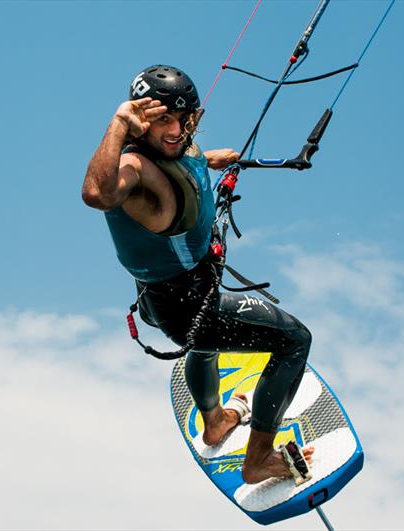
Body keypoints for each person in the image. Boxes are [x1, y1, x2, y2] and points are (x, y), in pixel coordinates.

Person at [81, 65, 314, 484]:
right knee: (294, 341)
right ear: (139, 124)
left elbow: (181, 164)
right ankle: (258, 461)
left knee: (206, 347)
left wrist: (206, 161)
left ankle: (215, 421)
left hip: (167, 295)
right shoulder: (132, 165)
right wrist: (118, 122)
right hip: (184, 304)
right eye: (161, 121)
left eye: (182, 119)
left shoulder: (176, 148)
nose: (175, 130)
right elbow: (98, 194)